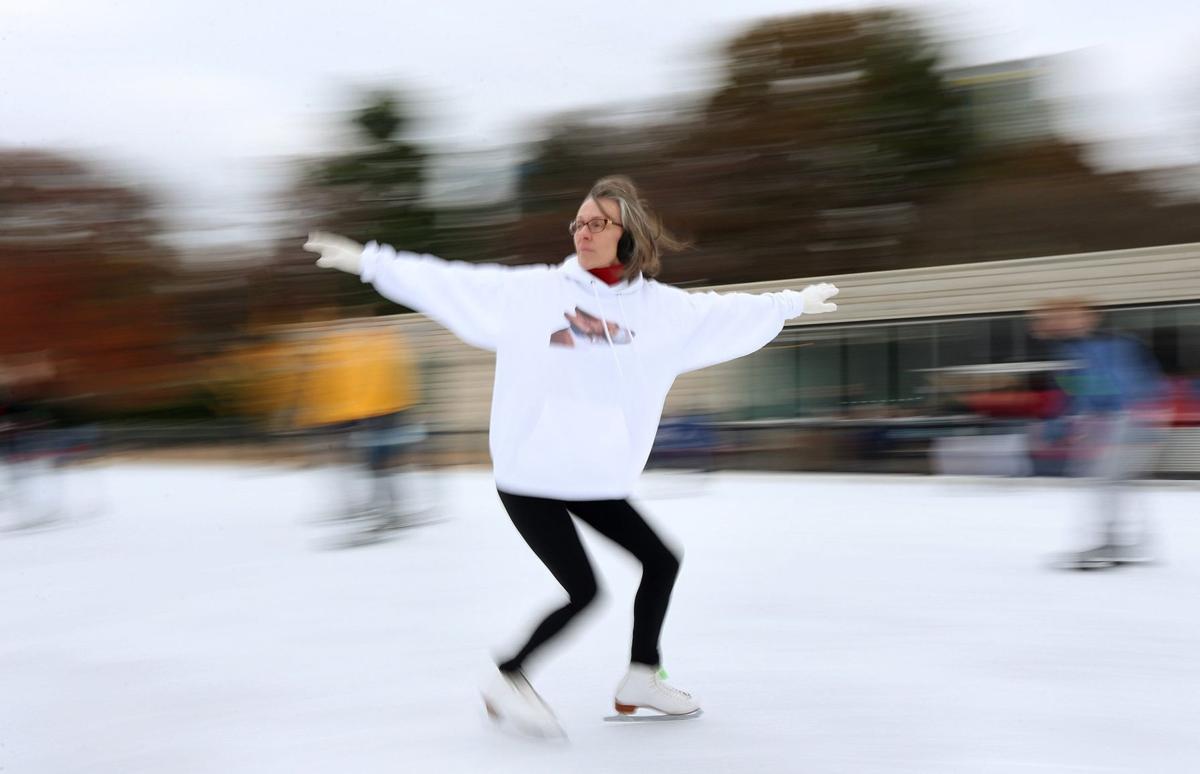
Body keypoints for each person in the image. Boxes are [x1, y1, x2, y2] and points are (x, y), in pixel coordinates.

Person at [303, 175, 839, 736]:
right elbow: (451, 282)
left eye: (597, 222)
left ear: (625, 233)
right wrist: (369, 260)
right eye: (579, 222)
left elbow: (722, 315)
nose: (583, 231)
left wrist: (793, 303)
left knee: (661, 561)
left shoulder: (661, 313)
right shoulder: (535, 295)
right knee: (584, 591)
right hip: (530, 475)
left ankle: (640, 677)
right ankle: (507, 676)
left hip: (594, 478)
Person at [1031, 299, 1168, 570]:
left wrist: (1100, 415)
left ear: (1088, 318)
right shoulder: (1070, 350)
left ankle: (1114, 543)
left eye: (1063, 316)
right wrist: (1058, 422)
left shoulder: (1113, 344)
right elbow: (1071, 390)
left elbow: (1123, 385)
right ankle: (1128, 544)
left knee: (1108, 481)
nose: (1051, 323)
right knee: (1114, 482)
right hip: (1111, 420)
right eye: (1048, 318)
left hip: (1130, 417)